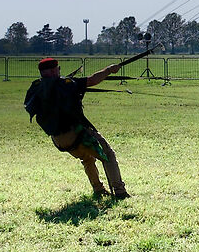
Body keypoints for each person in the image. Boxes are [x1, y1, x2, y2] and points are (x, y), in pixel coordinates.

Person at [22, 51, 145, 199]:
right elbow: (92, 80)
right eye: (57, 69)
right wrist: (109, 70)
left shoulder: (36, 88)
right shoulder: (65, 84)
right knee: (108, 155)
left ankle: (98, 190)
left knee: (87, 158)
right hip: (77, 133)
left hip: (58, 139)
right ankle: (120, 192)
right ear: (54, 70)